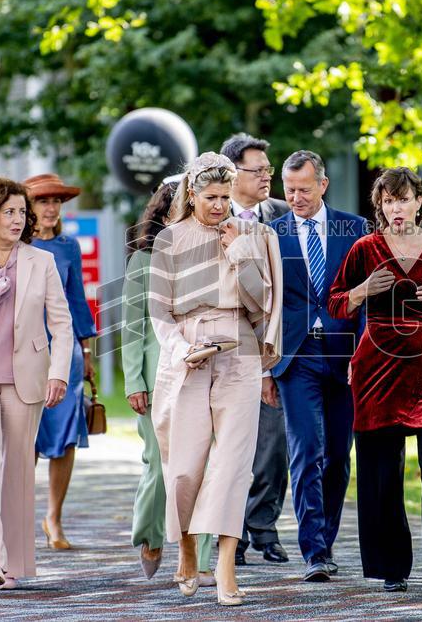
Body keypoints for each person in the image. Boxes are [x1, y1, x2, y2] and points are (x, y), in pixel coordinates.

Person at [328, 166, 422, 594]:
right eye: (388, 201)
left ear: (418, 203)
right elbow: (336, 303)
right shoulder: (364, 248)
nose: (396, 208)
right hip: (378, 370)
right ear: (380, 206)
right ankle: (393, 565)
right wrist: (364, 290)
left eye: (403, 199)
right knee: (381, 471)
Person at [149, 152, 282, 606]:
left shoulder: (256, 235)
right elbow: (158, 312)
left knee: (233, 465)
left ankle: (225, 568)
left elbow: (262, 302)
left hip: (239, 349)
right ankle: (186, 548)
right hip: (186, 351)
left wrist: (239, 251)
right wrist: (181, 349)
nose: (220, 205)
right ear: (192, 194)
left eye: (226, 197)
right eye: (211, 197)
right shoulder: (169, 239)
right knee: (185, 467)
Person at [0, 177, 73, 590]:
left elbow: (62, 322)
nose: (18, 219)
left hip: (26, 378)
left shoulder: (39, 261)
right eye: (9, 212)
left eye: (22, 213)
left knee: (17, 472)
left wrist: (59, 372)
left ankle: (12, 560)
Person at [267, 150, 368, 582]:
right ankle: (315, 550)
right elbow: (264, 303)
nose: (296, 197)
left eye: (304, 189)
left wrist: (363, 355)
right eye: (289, 190)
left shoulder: (356, 229)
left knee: (339, 457)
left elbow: (367, 301)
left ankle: (325, 536)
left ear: (322, 185)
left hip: (345, 357)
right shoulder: (271, 233)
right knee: (306, 450)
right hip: (297, 357)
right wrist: (265, 367)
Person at [122, 177, 215, 586]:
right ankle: (151, 535)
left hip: (203, 371)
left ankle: (205, 558)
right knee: (160, 467)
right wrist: (133, 381)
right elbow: (132, 327)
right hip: (156, 374)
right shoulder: (143, 260)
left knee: (204, 466)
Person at [220, 132, 291, 566]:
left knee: (272, 447)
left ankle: (263, 528)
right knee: (229, 450)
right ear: (233, 174)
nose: (267, 176)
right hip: (225, 351)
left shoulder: (282, 218)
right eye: (258, 170)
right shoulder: (210, 215)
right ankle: (230, 533)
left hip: (271, 350)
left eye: (269, 169)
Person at [23, 173, 97, 552]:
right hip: (23, 353)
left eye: (57, 202)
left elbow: (77, 301)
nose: (51, 208)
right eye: (43, 201)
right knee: (28, 438)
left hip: (65, 351)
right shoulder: (15, 246)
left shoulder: (68, 247)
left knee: (66, 433)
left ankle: (54, 516)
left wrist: (86, 353)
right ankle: (21, 516)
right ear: (28, 207)